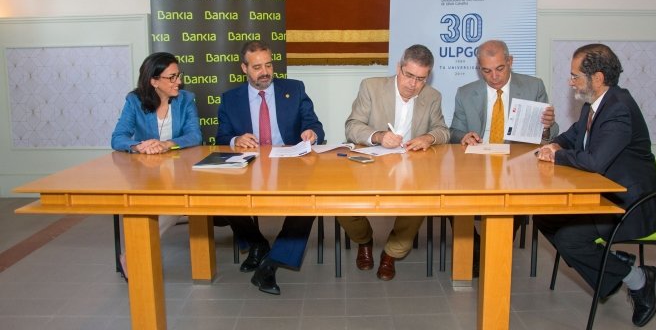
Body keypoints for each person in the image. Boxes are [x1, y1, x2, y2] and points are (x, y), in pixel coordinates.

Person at [534, 43, 656, 327]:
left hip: (629, 202)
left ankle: (639, 279)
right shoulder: (594, 105)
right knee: (542, 216)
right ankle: (613, 264)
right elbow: (572, 137)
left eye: (575, 76)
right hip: (605, 192)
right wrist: (556, 144)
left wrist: (557, 156)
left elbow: (594, 161)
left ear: (598, 78)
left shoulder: (619, 109)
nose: (571, 82)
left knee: (570, 239)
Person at [216, 40, 325, 295]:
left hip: (289, 162)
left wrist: (311, 133)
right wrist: (236, 140)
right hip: (250, 164)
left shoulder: (294, 89)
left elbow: (314, 124)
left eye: (268, 65)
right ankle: (257, 245)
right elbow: (221, 137)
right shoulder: (230, 99)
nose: (264, 72)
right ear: (244, 68)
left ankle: (271, 263)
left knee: (309, 201)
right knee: (226, 194)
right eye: (256, 67)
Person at [339, 44, 450, 281]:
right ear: (399, 68)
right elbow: (352, 126)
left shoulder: (432, 96)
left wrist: (428, 138)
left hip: (412, 167)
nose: (413, 84)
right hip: (370, 163)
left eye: (420, 79)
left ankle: (391, 253)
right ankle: (364, 240)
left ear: (427, 77)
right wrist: (378, 136)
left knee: (419, 204)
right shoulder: (372, 86)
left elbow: (443, 130)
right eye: (409, 75)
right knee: (342, 204)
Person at [449, 40, 559, 276]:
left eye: (500, 68)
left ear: (510, 61)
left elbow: (550, 135)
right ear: (479, 68)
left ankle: (496, 246)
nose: (494, 77)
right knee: (449, 195)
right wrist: (464, 136)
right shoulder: (466, 93)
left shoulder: (533, 86)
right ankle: (479, 248)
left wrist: (547, 127)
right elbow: (453, 131)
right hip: (477, 161)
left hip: (516, 162)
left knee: (518, 195)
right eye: (486, 71)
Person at [111, 51, 202, 280]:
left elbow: (195, 136)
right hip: (146, 171)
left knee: (174, 202)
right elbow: (118, 138)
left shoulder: (186, 99)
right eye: (171, 77)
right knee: (147, 203)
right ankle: (136, 252)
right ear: (154, 81)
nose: (178, 82)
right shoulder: (134, 101)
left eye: (178, 75)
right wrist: (140, 146)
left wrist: (167, 144)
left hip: (179, 170)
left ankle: (130, 255)